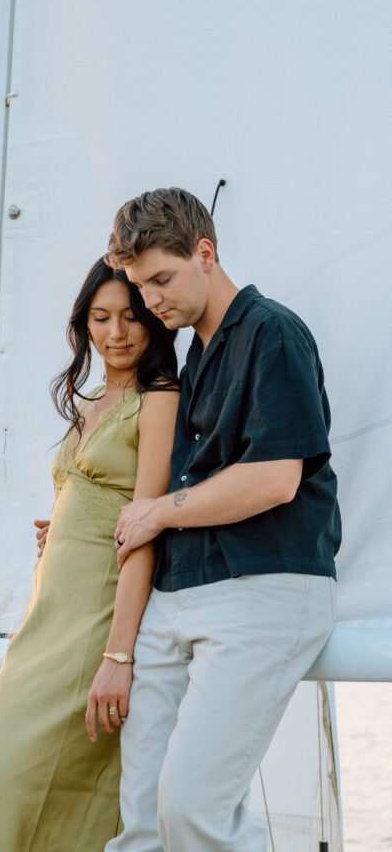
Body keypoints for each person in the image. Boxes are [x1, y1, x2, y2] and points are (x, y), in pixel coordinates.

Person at [104, 187, 341, 852]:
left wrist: (156, 513)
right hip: (180, 594)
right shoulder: (195, 353)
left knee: (191, 812)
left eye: (161, 279)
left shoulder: (272, 332)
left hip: (264, 587)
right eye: (138, 284)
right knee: (144, 824)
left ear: (204, 253)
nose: (150, 301)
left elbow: (273, 478)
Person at [0, 257, 179, 852]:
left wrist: (119, 655)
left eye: (131, 317)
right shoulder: (87, 406)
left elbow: (148, 523)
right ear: (83, 325)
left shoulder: (159, 398)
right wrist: (62, 528)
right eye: (101, 317)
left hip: (94, 626)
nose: (117, 333)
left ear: (153, 322)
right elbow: (93, 500)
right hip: (44, 623)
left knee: (42, 788)